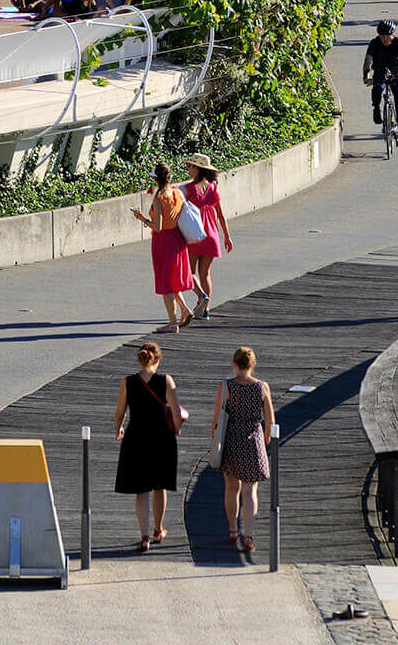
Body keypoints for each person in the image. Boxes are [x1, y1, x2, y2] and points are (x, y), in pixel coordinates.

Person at [114, 340, 182, 550]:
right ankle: (158, 529)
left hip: (136, 437)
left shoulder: (129, 382)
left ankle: (144, 536)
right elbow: (176, 412)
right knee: (159, 487)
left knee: (141, 491)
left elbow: (120, 411)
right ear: (158, 360)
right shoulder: (166, 380)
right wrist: (177, 429)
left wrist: (119, 428)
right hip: (162, 438)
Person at [210, 346, 275, 554]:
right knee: (249, 490)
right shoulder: (262, 387)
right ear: (253, 365)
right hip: (253, 440)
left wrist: (214, 438)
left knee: (231, 488)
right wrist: (264, 441)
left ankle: (232, 529)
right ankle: (249, 534)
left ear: (234, 365)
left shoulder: (226, 386)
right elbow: (270, 421)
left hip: (231, 439)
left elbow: (216, 419)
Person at [132, 162, 194, 333]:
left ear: (155, 179)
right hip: (177, 237)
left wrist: (141, 218)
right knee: (173, 279)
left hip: (164, 241)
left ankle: (173, 323)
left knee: (165, 282)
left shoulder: (159, 198)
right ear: (169, 177)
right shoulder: (177, 193)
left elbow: (157, 226)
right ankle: (185, 310)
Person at [182, 153, 232, 319]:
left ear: (197, 169)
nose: (188, 169)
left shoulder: (188, 189)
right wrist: (227, 236)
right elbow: (221, 215)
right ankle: (206, 310)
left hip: (195, 235)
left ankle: (201, 296)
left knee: (189, 272)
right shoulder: (213, 188)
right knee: (206, 274)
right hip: (212, 236)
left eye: (190, 166)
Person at [362, 20, 398, 145]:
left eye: (387, 36)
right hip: (380, 71)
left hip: (397, 72)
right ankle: (376, 109)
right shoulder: (374, 43)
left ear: (393, 35)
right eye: (382, 36)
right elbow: (368, 60)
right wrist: (366, 76)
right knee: (377, 89)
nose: (385, 39)